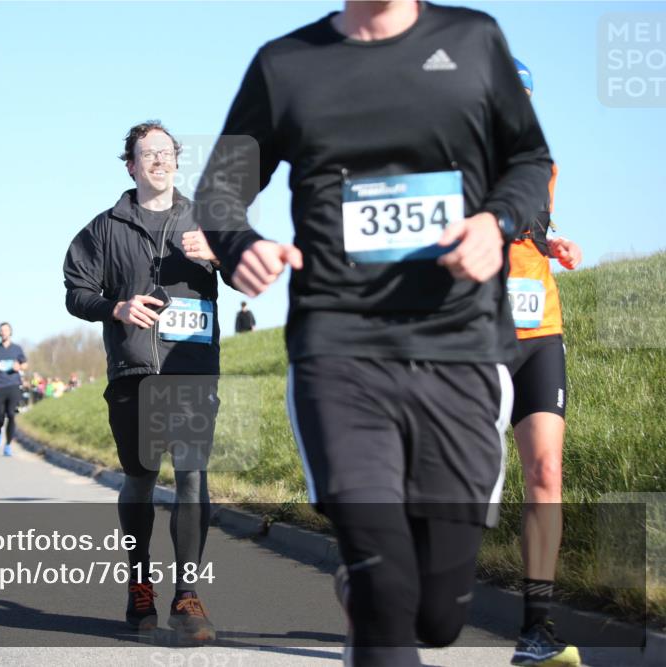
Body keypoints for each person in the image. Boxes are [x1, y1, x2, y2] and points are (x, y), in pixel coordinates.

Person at [194, 2, 552, 664]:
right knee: (386, 583)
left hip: (461, 350)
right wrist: (239, 242)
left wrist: (494, 222)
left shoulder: (473, 41)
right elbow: (219, 190)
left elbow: (529, 161)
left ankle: (368, 595)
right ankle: (370, 590)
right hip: (339, 351)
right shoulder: (285, 64)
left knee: (439, 615)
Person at [63, 120, 231, 642]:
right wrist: (117, 306)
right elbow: (75, 290)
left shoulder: (208, 218)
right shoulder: (103, 228)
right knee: (140, 479)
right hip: (134, 371)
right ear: (131, 165)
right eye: (146, 154)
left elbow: (251, 273)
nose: (158, 160)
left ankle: (187, 593)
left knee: (191, 476)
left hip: (192, 370)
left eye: (166, 152)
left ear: (177, 161)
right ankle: (140, 586)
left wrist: (221, 254)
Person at [506, 58, 582, 667]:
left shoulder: (544, 166)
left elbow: (536, 232)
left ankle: (537, 629)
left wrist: (556, 242)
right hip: (470, 337)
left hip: (540, 328)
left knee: (547, 473)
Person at [0, 322, 27, 456]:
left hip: (13, 384)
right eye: (2, 330)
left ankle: (8, 445)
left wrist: (19, 367)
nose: (4, 332)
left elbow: (25, 364)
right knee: (0, 415)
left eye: (6, 330)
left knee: (11, 415)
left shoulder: (17, 349)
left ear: (10, 332)